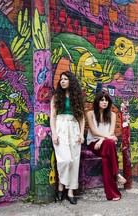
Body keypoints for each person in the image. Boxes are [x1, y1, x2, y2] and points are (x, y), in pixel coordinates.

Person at [50, 71, 85, 205]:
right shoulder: (56, 97)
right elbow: (52, 116)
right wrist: (54, 133)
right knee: (65, 160)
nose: (62, 81)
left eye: (65, 79)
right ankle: (61, 184)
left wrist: (81, 134)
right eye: (61, 79)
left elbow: (81, 118)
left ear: (71, 81)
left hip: (74, 128)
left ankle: (70, 191)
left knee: (74, 161)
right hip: (60, 128)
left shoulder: (77, 98)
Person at [86, 91, 126, 201]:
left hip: (105, 143)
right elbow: (94, 131)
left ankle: (112, 194)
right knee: (111, 142)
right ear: (97, 101)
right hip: (94, 144)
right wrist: (100, 140)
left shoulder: (112, 115)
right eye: (102, 100)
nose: (104, 102)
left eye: (106, 100)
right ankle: (117, 173)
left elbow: (111, 132)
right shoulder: (90, 114)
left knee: (105, 160)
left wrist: (102, 139)